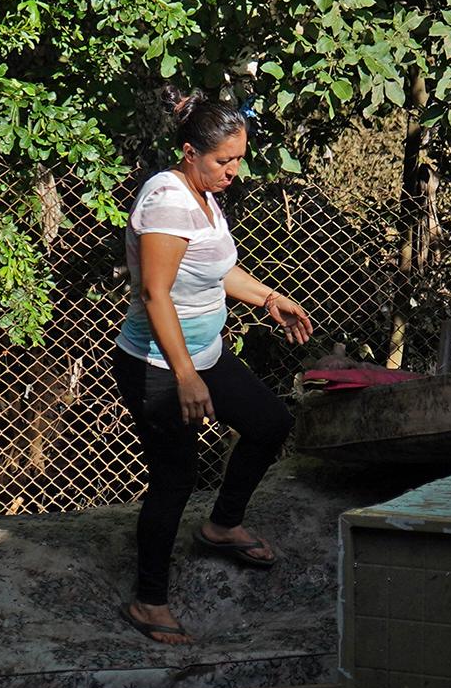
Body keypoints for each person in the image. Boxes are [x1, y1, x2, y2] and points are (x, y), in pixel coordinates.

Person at [113, 89, 313, 644]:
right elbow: (155, 295)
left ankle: (222, 525)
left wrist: (269, 297)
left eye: (238, 159)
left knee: (270, 422)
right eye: (224, 161)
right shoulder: (169, 201)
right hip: (158, 365)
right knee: (174, 479)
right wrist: (185, 377)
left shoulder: (205, 197)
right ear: (188, 153)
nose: (233, 171)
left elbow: (217, 272)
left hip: (206, 355)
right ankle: (149, 600)